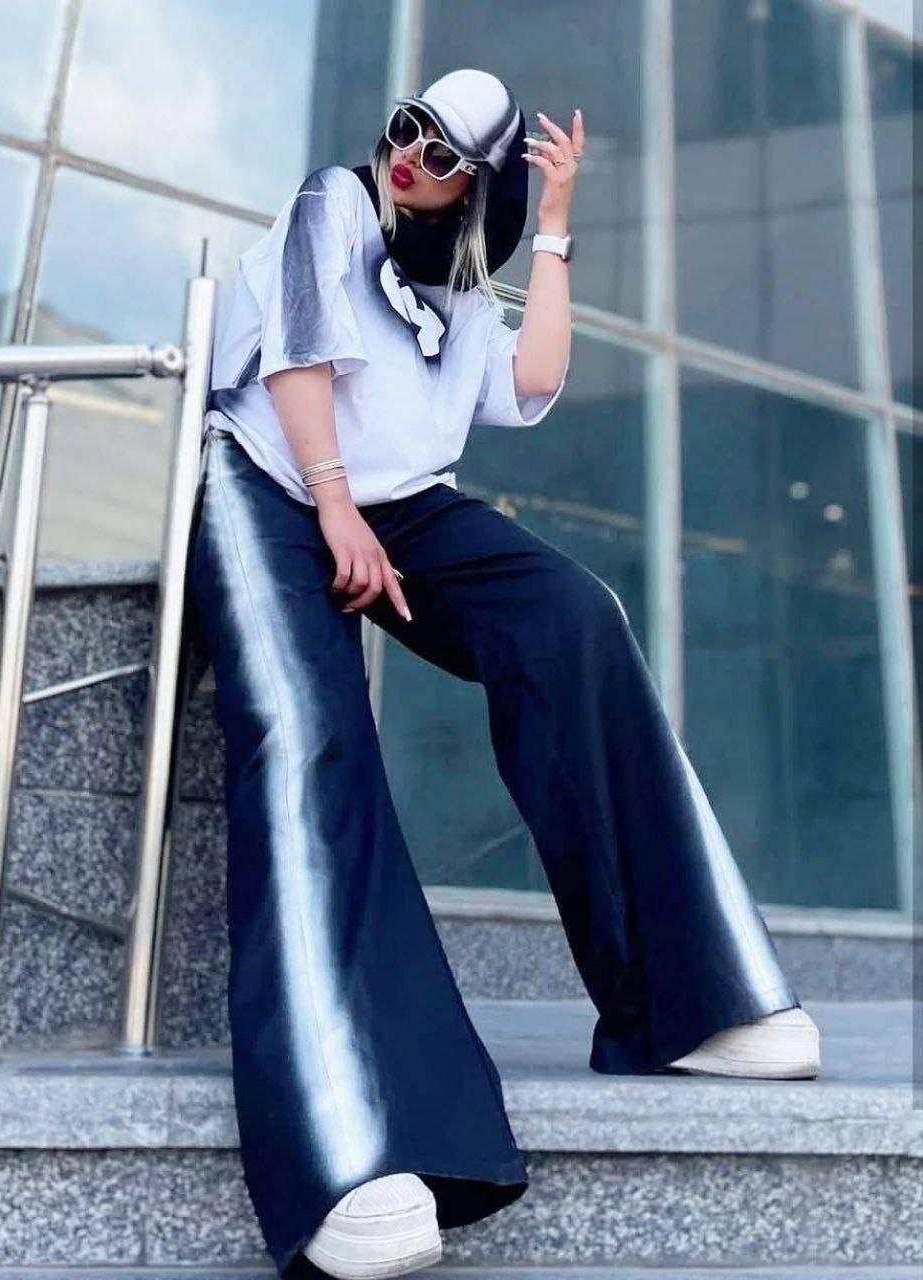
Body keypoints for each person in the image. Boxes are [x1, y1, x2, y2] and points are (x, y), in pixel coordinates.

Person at [186, 67, 821, 1280]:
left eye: (440, 150)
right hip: (269, 480)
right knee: (313, 738)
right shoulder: (332, 200)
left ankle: (683, 1001)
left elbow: (529, 384)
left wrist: (559, 226)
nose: (408, 154)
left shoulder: (464, 288)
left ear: (476, 183)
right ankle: (347, 1147)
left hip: (398, 503)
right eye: (405, 129)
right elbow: (296, 358)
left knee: (575, 617)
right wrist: (333, 508)